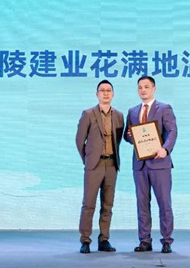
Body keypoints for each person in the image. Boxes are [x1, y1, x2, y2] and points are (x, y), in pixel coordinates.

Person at [124, 75, 177, 254]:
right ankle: (144, 240)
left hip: (160, 163)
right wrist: (131, 137)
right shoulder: (132, 111)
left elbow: (172, 131)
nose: (143, 90)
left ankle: (167, 241)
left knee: (164, 203)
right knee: (142, 204)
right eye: (140, 87)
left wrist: (165, 149)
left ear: (154, 89)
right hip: (140, 165)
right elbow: (127, 136)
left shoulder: (164, 108)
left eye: (146, 87)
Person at [76, 80, 124, 254]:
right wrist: (88, 160)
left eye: (108, 90)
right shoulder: (88, 114)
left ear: (113, 94)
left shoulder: (119, 115)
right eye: (102, 90)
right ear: (97, 94)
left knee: (108, 205)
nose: (105, 93)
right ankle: (85, 240)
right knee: (88, 204)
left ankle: (104, 239)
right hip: (94, 165)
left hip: (111, 164)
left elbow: (118, 139)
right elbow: (79, 140)